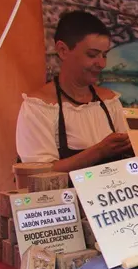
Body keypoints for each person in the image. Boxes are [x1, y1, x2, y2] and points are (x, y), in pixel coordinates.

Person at [16, 11, 131, 172]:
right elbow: (38, 172)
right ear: (63, 50)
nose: (102, 64)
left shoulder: (110, 102)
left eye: (104, 55)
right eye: (92, 55)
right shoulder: (38, 108)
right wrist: (99, 151)